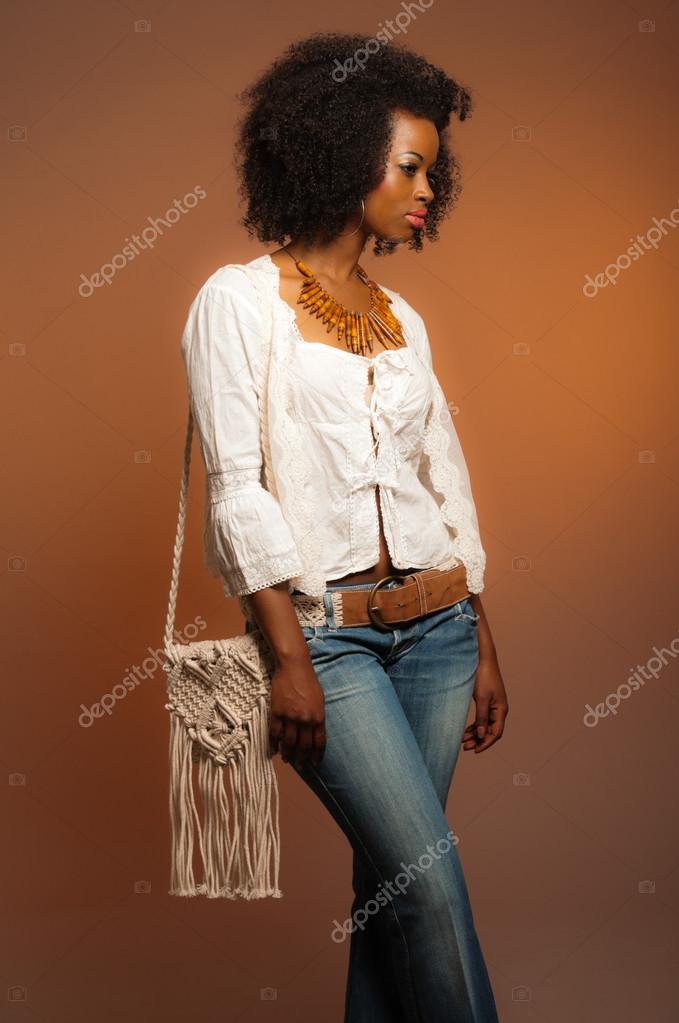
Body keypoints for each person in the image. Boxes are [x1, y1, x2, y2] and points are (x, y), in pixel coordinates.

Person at [180, 30, 508, 1023]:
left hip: (441, 633)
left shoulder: (400, 318)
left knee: (393, 897)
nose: (423, 190)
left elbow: (440, 481)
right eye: (407, 166)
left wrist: (483, 640)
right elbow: (237, 487)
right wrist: (286, 656)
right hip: (327, 641)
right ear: (339, 152)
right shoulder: (238, 305)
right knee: (430, 889)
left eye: (430, 174)